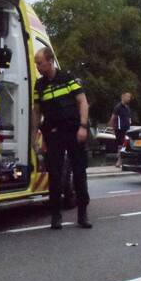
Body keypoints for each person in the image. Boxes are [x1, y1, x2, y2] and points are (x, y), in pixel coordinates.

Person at [31, 47, 91, 229]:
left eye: (39, 63)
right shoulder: (39, 85)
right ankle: (55, 216)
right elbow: (36, 111)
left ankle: (82, 214)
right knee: (55, 175)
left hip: (73, 131)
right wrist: (34, 135)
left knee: (79, 174)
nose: (38, 66)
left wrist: (82, 126)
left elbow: (83, 102)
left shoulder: (68, 79)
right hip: (53, 133)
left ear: (50, 61)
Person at [108, 92, 133, 168]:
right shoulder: (118, 107)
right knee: (121, 145)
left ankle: (121, 160)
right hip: (119, 129)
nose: (129, 98)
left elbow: (128, 118)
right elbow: (113, 118)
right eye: (127, 96)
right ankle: (119, 161)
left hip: (126, 129)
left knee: (125, 145)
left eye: (130, 97)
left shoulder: (127, 108)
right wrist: (112, 129)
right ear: (123, 97)